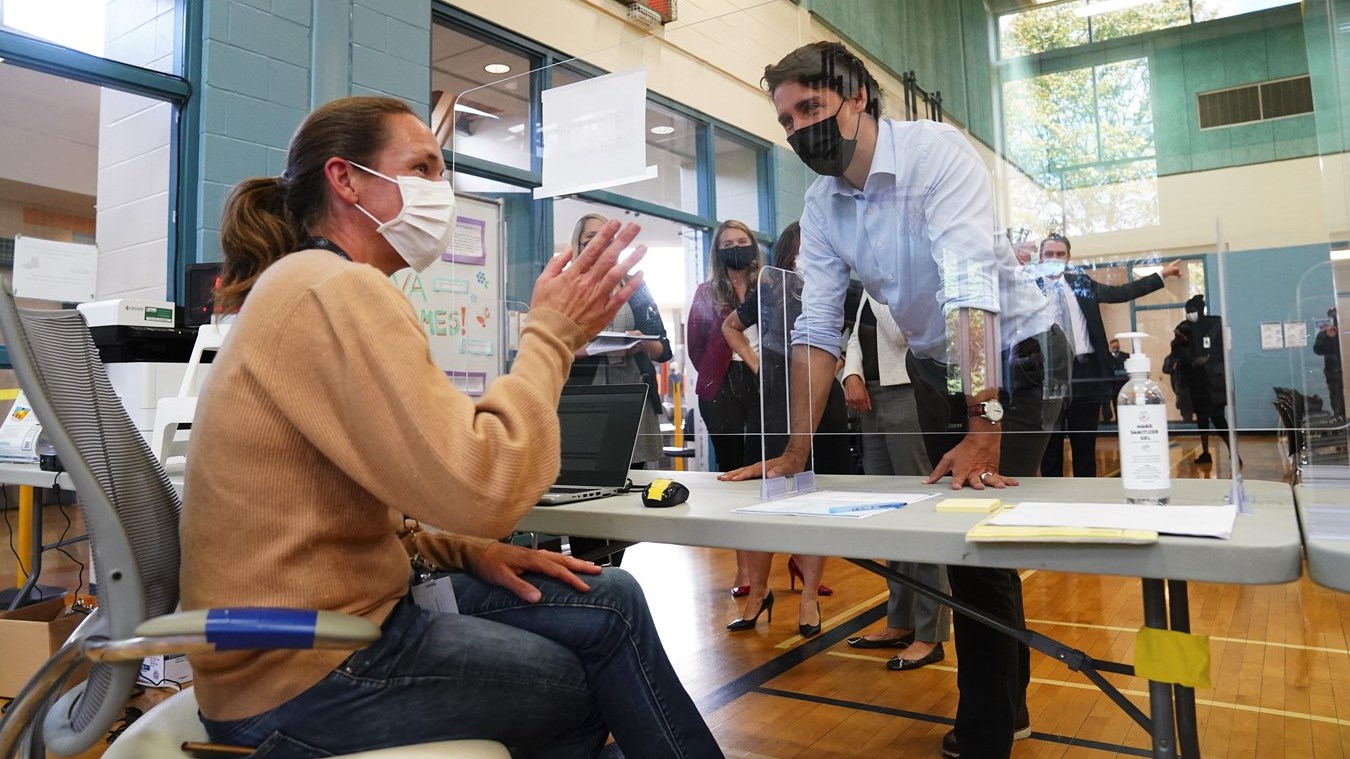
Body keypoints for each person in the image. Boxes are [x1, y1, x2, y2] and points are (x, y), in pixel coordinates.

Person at [180, 95, 723, 759]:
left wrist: (471, 551)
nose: (442, 191)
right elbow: (482, 486)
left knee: (610, 598)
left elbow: (365, 510)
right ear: (345, 179)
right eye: (424, 168)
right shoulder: (330, 289)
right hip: (307, 675)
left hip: (317, 636)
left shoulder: (313, 283)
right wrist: (550, 337)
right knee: (584, 681)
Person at [727, 41, 1069, 759]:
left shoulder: (935, 156)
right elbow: (817, 330)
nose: (797, 130)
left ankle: (989, 727)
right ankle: (1009, 707)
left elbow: (970, 287)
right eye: (786, 119)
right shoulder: (822, 205)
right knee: (968, 534)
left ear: (858, 98)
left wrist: (985, 420)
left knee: (981, 535)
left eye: (810, 108)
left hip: (1020, 355)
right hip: (937, 362)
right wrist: (794, 451)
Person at [720, 221, 847, 636]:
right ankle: (758, 594)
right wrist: (757, 364)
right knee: (763, 502)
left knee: (814, 504)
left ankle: (809, 597)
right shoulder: (772, 287)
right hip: (773, 403)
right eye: (805, 245)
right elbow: (730, 327)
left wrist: (838, 361)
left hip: (822, 402)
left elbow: (849, 338)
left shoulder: (841, 284)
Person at [841, 291, 950, 671]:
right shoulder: (868, 287)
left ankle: (930, 634)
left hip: (909, 391)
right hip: (871, 398)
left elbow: (904, 332)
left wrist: (879, 287)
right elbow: (855, 335)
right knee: (890, 520)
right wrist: (851, 373)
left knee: (920, 519)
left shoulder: (894, 280)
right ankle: (899, 622)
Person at [565, 213, 673, 567]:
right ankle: (588, 571)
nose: (596, 243)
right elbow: (554, 342)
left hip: (631, 394)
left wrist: (642, 342)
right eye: (588, 238)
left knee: (629, 488)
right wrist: (586, 345)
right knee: (583, 490)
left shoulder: (635, 286)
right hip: (585, 395)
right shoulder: (569, 285)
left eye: (603, 237)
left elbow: (663, 349)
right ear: (578, 245)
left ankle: (615, 571)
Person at [1035, 233, 1180, 478]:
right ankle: (1054, 505)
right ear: (1040, 258)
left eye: (1060, 254)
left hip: (1086, 372)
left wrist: (1161, 275)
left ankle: (1090, 503)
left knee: (1085, 447)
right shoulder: (1029, 289)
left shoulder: (1081, 283)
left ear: (1068, 258)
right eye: (1049, 254)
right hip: (1048, 373)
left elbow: (1119, 293)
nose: (1055, 258)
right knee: (1050, 449)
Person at [687, 219, 763, 598]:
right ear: (717, 251)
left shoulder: (771, 283)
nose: (736, 246)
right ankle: (744, 565)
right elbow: (695, 346)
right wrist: (716, 375)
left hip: (765, 383)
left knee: (770, 472)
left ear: (753, 246)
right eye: (728, 242)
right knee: (734, 478)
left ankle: (800, 556)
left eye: (742, 240)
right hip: (722, 388)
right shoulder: (707, 292)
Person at [1175, 294, 1231, 465]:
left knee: (1218, 417)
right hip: (1195, 382)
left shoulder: (1214, 325)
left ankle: (1233, 452)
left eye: (1192, 310)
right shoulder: (1184, 328)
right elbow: (1179, 354)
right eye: (1187, 311)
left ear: (1200, 310)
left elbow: (1222, 350)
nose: (1190, 314)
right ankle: (1205, 452)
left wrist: (1208, 358)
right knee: (1201, 418)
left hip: (1213, 380)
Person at [1314, 307, 1344, 419]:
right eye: (1333, 316)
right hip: (1333, 374)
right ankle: (1339, 419)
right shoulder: (1324, 334)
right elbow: (1318, 350)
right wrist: (1328, 337)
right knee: (1336, 400)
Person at [1162, 326, 1194, 424]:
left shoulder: (1189, 348)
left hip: (1189, 382)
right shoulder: (1172, 356)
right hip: (1180, 384)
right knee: (1185, 406)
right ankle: (1187, 423)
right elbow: (1166, 369)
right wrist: (1173, 367)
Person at [1103, 338, 1129, 423]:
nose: (1115, 347)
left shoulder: (1125, 356)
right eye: (1113, 345)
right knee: (1110, 402)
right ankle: (1111, 420)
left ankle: (1122, 419)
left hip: (1122, 382)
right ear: (1110, 346)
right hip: (1111, 383)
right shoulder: (1106, 357)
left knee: (1122, 402)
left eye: (1116, 345)